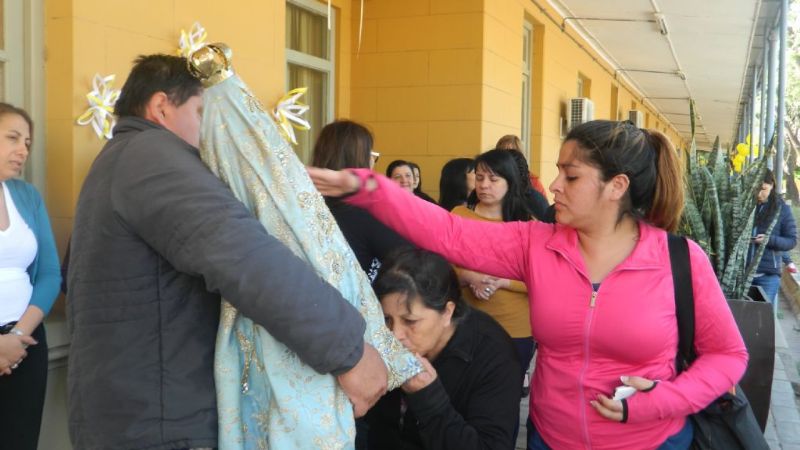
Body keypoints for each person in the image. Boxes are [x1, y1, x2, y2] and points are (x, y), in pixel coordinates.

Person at [309, 120, 749, 449]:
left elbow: (728, 356)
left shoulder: (679, 259)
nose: (554, 185)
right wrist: (366, 187)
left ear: (617, 186)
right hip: (550, 438)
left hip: (653, 440)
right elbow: (448, 233)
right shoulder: (537, 243)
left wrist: (665, 401)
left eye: (571, 176)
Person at [67, 53, 392, 449]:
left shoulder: (117, 162)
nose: (213, 129)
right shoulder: (154, 161)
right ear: (161, 107)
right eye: (202, 112)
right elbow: (249, 260)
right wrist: (349, 350)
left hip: (136, 412)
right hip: (165, 423)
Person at [366, 248, 522, 449]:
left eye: (410, 321)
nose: (395, 335)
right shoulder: (379, 335)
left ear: (448, 312)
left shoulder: (495, 356)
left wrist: (429, 399)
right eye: (387, 319)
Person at [0, 103, 61, 450]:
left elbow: (50, 273)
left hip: (26, 344)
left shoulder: (27, 196)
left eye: (27, 141)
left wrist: (18, 335)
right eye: (12, 138)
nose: (23, 149)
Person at [451, 149, 535, 381]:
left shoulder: (527, 226)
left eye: (493, 179)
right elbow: (441, 269)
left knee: (504, 399)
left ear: (510, 182)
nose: (484, 185)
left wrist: (502, 281)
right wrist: (468, 277)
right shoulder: (459, 217)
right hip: (466, 324)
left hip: (515, 329)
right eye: (479, 178)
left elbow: (541, 279)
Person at [312, 120, 413, 280]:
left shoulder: (308, 204)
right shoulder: (366, 212)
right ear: (358, 159)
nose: (373, 162)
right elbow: (414, 263)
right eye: (370, 154)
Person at [749, 169, 797, 306]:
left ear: (772, 185)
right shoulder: (745, 205)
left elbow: (791, 240)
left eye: (763, 189)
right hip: (742, 274)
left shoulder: (782, 209)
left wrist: (768, 240)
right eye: (756, 189)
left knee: (762, 321)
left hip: (768, 276)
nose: (759, 194)